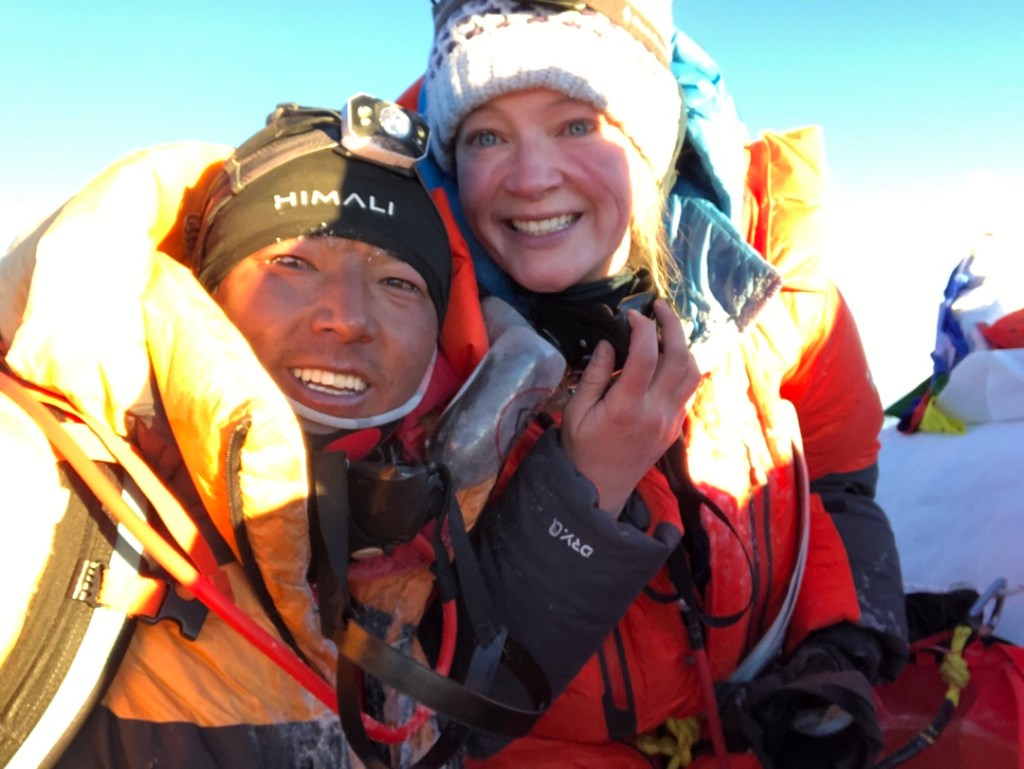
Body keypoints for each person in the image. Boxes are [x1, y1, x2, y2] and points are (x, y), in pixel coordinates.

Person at [2, 95, 677, 768]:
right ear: (208, 289)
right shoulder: (44, 477)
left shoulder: (420, 513)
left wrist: (586, 487)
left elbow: (450, 719)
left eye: (398, 282)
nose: (348, 316)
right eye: (290, 264)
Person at [396, 1, 911, 767]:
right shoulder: (404, 340)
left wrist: (838, 641)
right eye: (486, 136)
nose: (532, 179)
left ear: (650, 139)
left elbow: (837, 488)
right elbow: (427, 697)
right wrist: (584, 490)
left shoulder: (771, 279)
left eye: (577, 124)